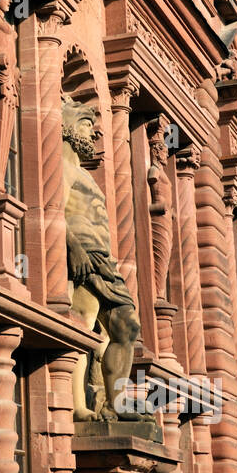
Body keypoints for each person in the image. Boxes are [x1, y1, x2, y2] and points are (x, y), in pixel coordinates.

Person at [62, 95, 140, 419]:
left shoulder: (86, 174)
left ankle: (116, 402)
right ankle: (78, 405)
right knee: (82, 323)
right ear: (64, 126)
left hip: (103, 261)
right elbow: (49, 208)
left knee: (126, 326)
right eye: (84, 124)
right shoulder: (60, 166)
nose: (93, 133)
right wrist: (71, 246)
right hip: (81, 260)